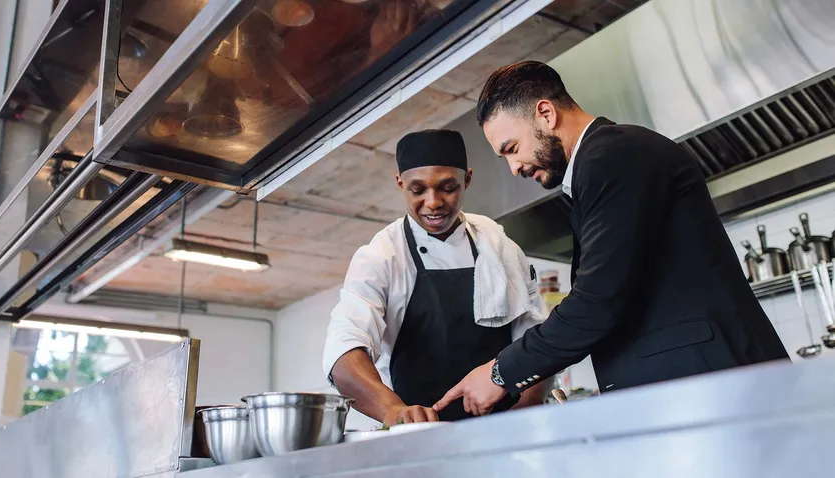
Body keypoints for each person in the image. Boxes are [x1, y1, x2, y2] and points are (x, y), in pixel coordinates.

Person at [434, 61, 789, 415]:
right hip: (693, 393)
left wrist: (500, 373)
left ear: (545, 113)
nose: (514, 169)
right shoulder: (600, 165)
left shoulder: (613, 155)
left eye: (512, 148)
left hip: (714, 390)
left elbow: (597, 302)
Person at [323, 129, 551, 425]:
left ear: (467, 179)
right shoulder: (381, 256)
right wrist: (391, 410)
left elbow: (534, 336)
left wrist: (530, 403)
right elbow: (344, 352)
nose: (433, 202)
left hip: (506, 426)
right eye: (418, 190)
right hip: (421, 431)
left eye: (448, 187)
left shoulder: (498, 245)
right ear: (400, 183)